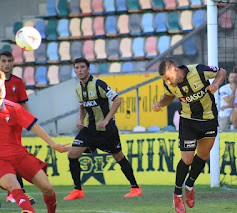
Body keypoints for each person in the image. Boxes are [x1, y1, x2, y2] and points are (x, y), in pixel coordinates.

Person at [152, 60, 226, 213]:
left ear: (175, 70)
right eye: (165, 80)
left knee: (203, 154)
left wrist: (216, 84)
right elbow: (169, 96)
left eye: (168, 78)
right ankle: (177, 194)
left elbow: (222, 72)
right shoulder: (170, 85)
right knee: (187, 160)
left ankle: (189, 186)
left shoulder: (198, 71)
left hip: (209, 119)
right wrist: (160, 103)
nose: (167, 82)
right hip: (188, 121)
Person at [63, 57, 142, 200]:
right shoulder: (78, 88)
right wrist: (80, 120)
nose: (79, 70)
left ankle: (135, 187)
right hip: (90, 130)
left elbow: (117, 100)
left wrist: (106, 120)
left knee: (118, 156)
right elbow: (82, 106)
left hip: (107, 130)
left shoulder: (99, 84)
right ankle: (78, 190)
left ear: (88, 69)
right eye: (77, 68)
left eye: (82, 67)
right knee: (72, 154)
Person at [0, 71, 71, 213]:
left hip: (20, 156)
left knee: (47, 188)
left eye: (1, 85)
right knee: (14, 186)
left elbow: (34, 126)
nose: (0, 89)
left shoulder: (14, 108)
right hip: (1, 160)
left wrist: (53, 144)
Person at [0, 51, 35, 204]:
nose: (7, 64)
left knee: (14, 159)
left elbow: (23, 103)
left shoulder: (18, 82)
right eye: (3, 61)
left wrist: (28, 120)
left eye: (9, 61)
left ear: (13, 62)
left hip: (14, 129)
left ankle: (16, 193)